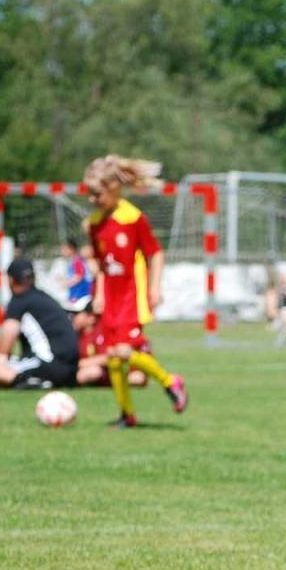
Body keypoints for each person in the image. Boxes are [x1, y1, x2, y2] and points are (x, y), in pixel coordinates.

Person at [82, 155, 188, 427]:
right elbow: (101, 265)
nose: (92, 200)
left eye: (97, 194)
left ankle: (170, 381)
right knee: (114, 360)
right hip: (112, 299)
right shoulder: (94, 224)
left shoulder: (133, 218)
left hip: (132, 295)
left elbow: (155, 253)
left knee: (124, 353)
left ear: (114, 188)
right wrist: (99, 295)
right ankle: (127, 415)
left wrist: (154, 286)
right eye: (90, 195)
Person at [0, 257, 79, 389]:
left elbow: (6, 343)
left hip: (47, 364)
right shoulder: (44, 298)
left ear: (11, 280)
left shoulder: (20, 301)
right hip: (70, 369)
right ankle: (30, 379)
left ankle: (27, 381)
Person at [71, 298, 145, 388]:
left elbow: (107, 357)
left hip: (108, 373)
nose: (72, 317)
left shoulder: (102, 332)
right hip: (85, 371)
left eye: (76, 314)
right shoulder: (73, 334)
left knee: (94, 371)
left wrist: (78, 364)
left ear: (91, 318)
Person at [62, 237, 92, 309]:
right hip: (75, 294)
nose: (62, 251)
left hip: (82, 294)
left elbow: (79, 276)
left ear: (71, 249)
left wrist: (68, 283)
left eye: (65, 249)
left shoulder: (77, 261)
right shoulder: (72, 261)